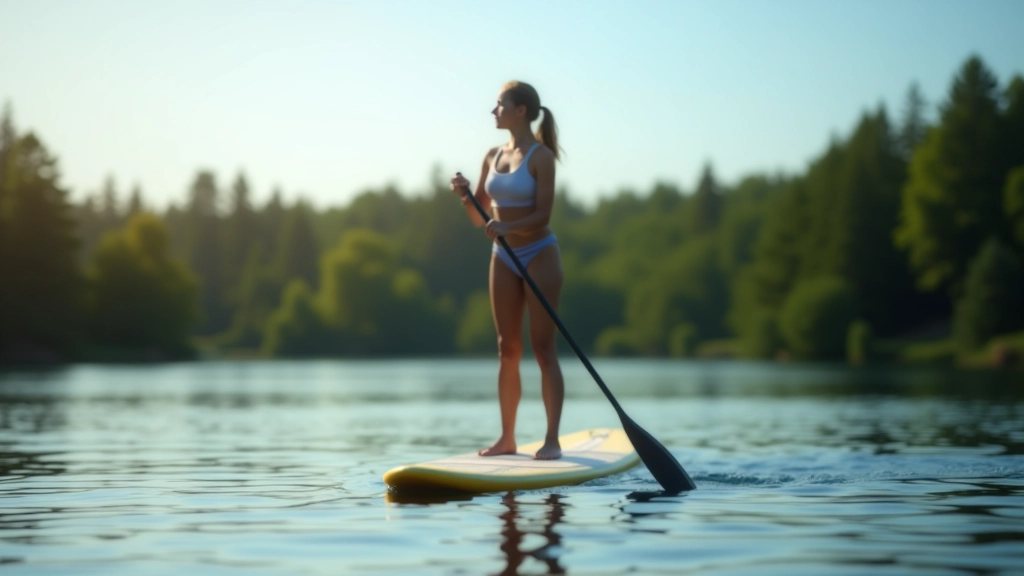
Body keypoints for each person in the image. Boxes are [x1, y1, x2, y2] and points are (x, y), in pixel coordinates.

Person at [450, 81, 564, 460]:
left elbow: (543, 215)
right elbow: (476, 216)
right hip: (503, 256)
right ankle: (507, 439)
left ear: (521, 111)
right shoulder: (491, 155)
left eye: (500, 104)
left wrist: (508, 228)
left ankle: (551, 441)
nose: (493, 111)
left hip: (539, 254)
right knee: (507, 349)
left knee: (544, 350)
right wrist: (465, 196)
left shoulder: (541, 157)